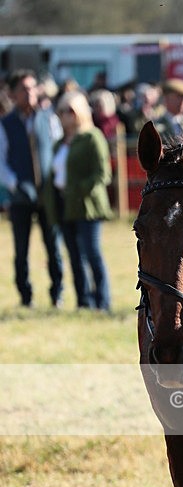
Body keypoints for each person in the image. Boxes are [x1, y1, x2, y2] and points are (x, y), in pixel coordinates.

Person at [0, 69, 64, 307]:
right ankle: (25, 297)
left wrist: (55, 184)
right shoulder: (5, 124)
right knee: (21, 250)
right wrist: (16, 184)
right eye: (23, 89)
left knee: (53, 248)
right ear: (12, 94)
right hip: (21, 196)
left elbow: (58, 151)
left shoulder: (49, 118)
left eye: (32, 88)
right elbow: (1, 161)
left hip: (47, 195)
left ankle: (57, 293)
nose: (29, 93)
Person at [45, 90, 113, 310]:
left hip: (87, 206)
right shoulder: (60, 143)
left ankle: (102, 301)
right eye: (62, 111)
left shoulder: (92, 137)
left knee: (92, 254)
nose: (66, 116)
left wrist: (79, 189)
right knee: (74, 256)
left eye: (70, 111)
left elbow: (103, 174)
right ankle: (84, 301)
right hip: (65, 205)